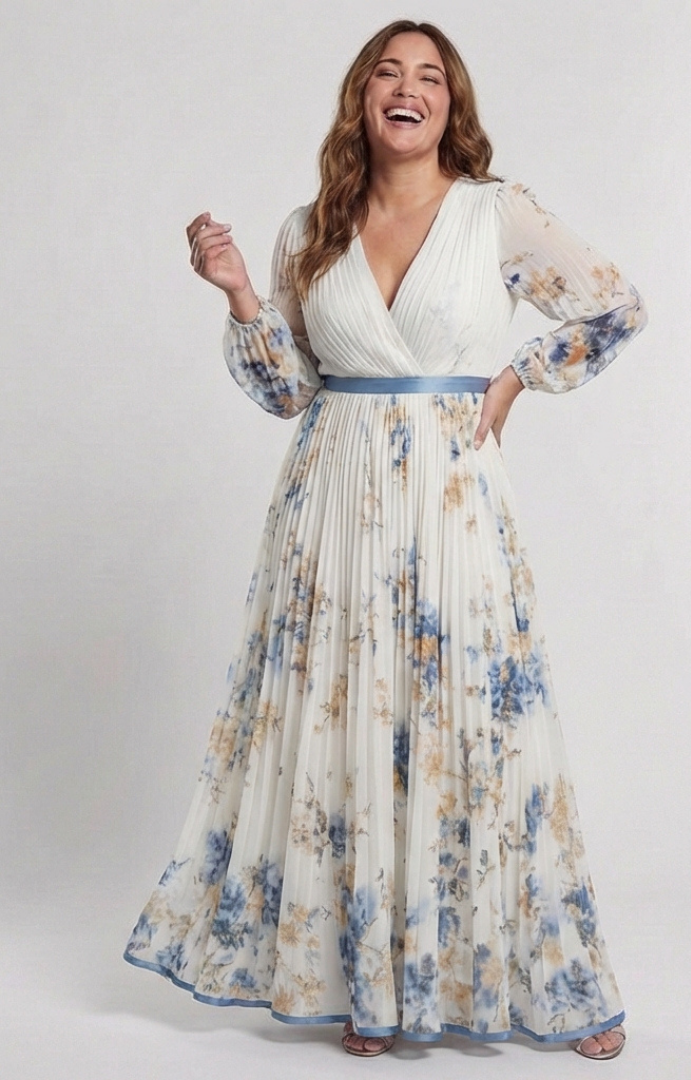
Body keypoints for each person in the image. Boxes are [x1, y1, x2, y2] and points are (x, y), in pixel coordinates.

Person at [123, 19, 647, 1062]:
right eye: (388, 73)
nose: (408, 88)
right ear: (361, 97)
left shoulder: (496, 213)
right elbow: (288, 391)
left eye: (430, 77)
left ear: (452, 106)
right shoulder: (309, 228)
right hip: (333, 506)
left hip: (454, 501)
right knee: (346, 727)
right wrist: (238, 292)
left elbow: (615, 307)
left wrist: (516, 378)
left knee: (486, 728)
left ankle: (556, 985)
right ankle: (363, 984)